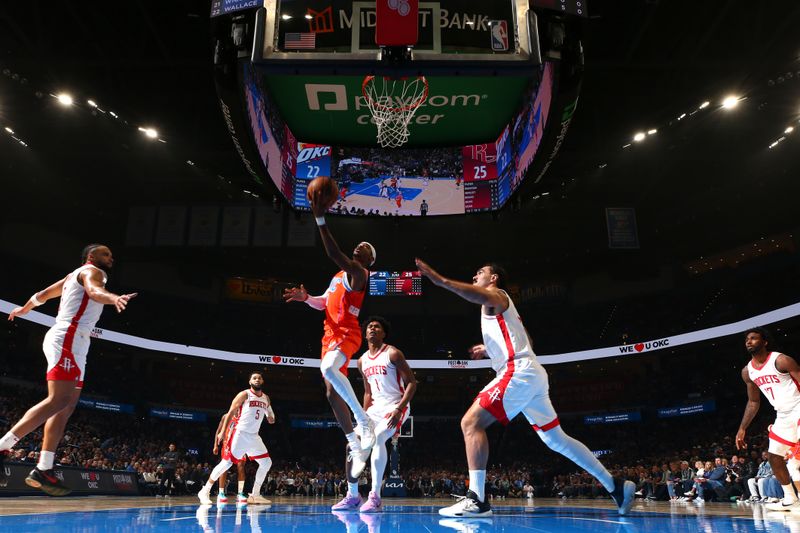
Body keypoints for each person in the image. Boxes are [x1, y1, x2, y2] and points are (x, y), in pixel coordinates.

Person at [415, 259, 635, 517]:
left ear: (494, 278)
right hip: (532, 373)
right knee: (556, 440)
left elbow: (471, 294)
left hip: (517, 371)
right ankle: (615, 486)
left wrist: (440, 280)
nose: (475, 274)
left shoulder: (496, 295)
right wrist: (490, 349)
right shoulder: (503, 308)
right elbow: (528, 339)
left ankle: (477, 500)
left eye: (481, 272)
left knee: (470, 423)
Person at [0, 244, 136, 495]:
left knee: (66, 406)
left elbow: (41, 294)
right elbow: (95, 291)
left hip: (79, 342)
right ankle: (3, 446)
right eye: (107, 254)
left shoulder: (69, 277)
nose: (111, 257)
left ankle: (44, 468)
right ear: (92, 257)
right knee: (58, 399)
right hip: (68, 337)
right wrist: (113, 297)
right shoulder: (92, 272)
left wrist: (24, 309)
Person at [283, 193, 378, 474]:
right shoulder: (338, 277)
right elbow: (324, 302)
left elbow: (333, 254)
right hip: (329, 335)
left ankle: (364, 422)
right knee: (330, 391)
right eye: (361, 243)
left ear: (369, 260)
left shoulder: (359, 273)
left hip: (348, 333)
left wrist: (320, 217)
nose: (361, 245)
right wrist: (306, 297)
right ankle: (354, 441)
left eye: (367, 248)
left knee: (328, 368)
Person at [334, 316, 417, 513]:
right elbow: (368, 392)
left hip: (396, 405)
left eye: (377, 327)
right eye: (369, 326)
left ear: (383, 333)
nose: (372, 328)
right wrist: (361, 416)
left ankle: (375, 497)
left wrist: (399, 410)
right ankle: (353, 496)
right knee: (351, 446)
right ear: (365, 334)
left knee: (379, 438)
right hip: (374, 410)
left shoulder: (393, 353)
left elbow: (412, 383)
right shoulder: (362, 361)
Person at [736, 327, 800, 511]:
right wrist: (742, 428)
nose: (749, 341)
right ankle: (790, 497)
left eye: (754, 338)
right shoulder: (747, 372)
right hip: (783, 414)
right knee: (774, 456)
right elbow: (753, 402)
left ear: (764, 342)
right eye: (747, 339)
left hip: (799, 406)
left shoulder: (781, 360)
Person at [197, 372, 274, 505]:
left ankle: (255, 495)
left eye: (259, 378)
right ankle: (205, 491)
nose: (257, 379)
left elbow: (271, 416)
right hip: (241, 434)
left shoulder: (266, 398)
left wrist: (271, 417)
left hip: (254, 437)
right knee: (227, 463)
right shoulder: (244, 394)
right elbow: (231, 412)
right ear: (250, 381)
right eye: (254, 378)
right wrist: (221, 432)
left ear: (262, 381)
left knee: (266, 463)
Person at [213, 414, 248, 504]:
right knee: (224, 467)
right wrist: (215, 445)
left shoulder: (245, 415)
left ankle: (240, 493)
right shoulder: (226, 416)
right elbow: (218, 430)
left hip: (240, 444)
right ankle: (221, 493)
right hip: (227, 444)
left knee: (241, 467)